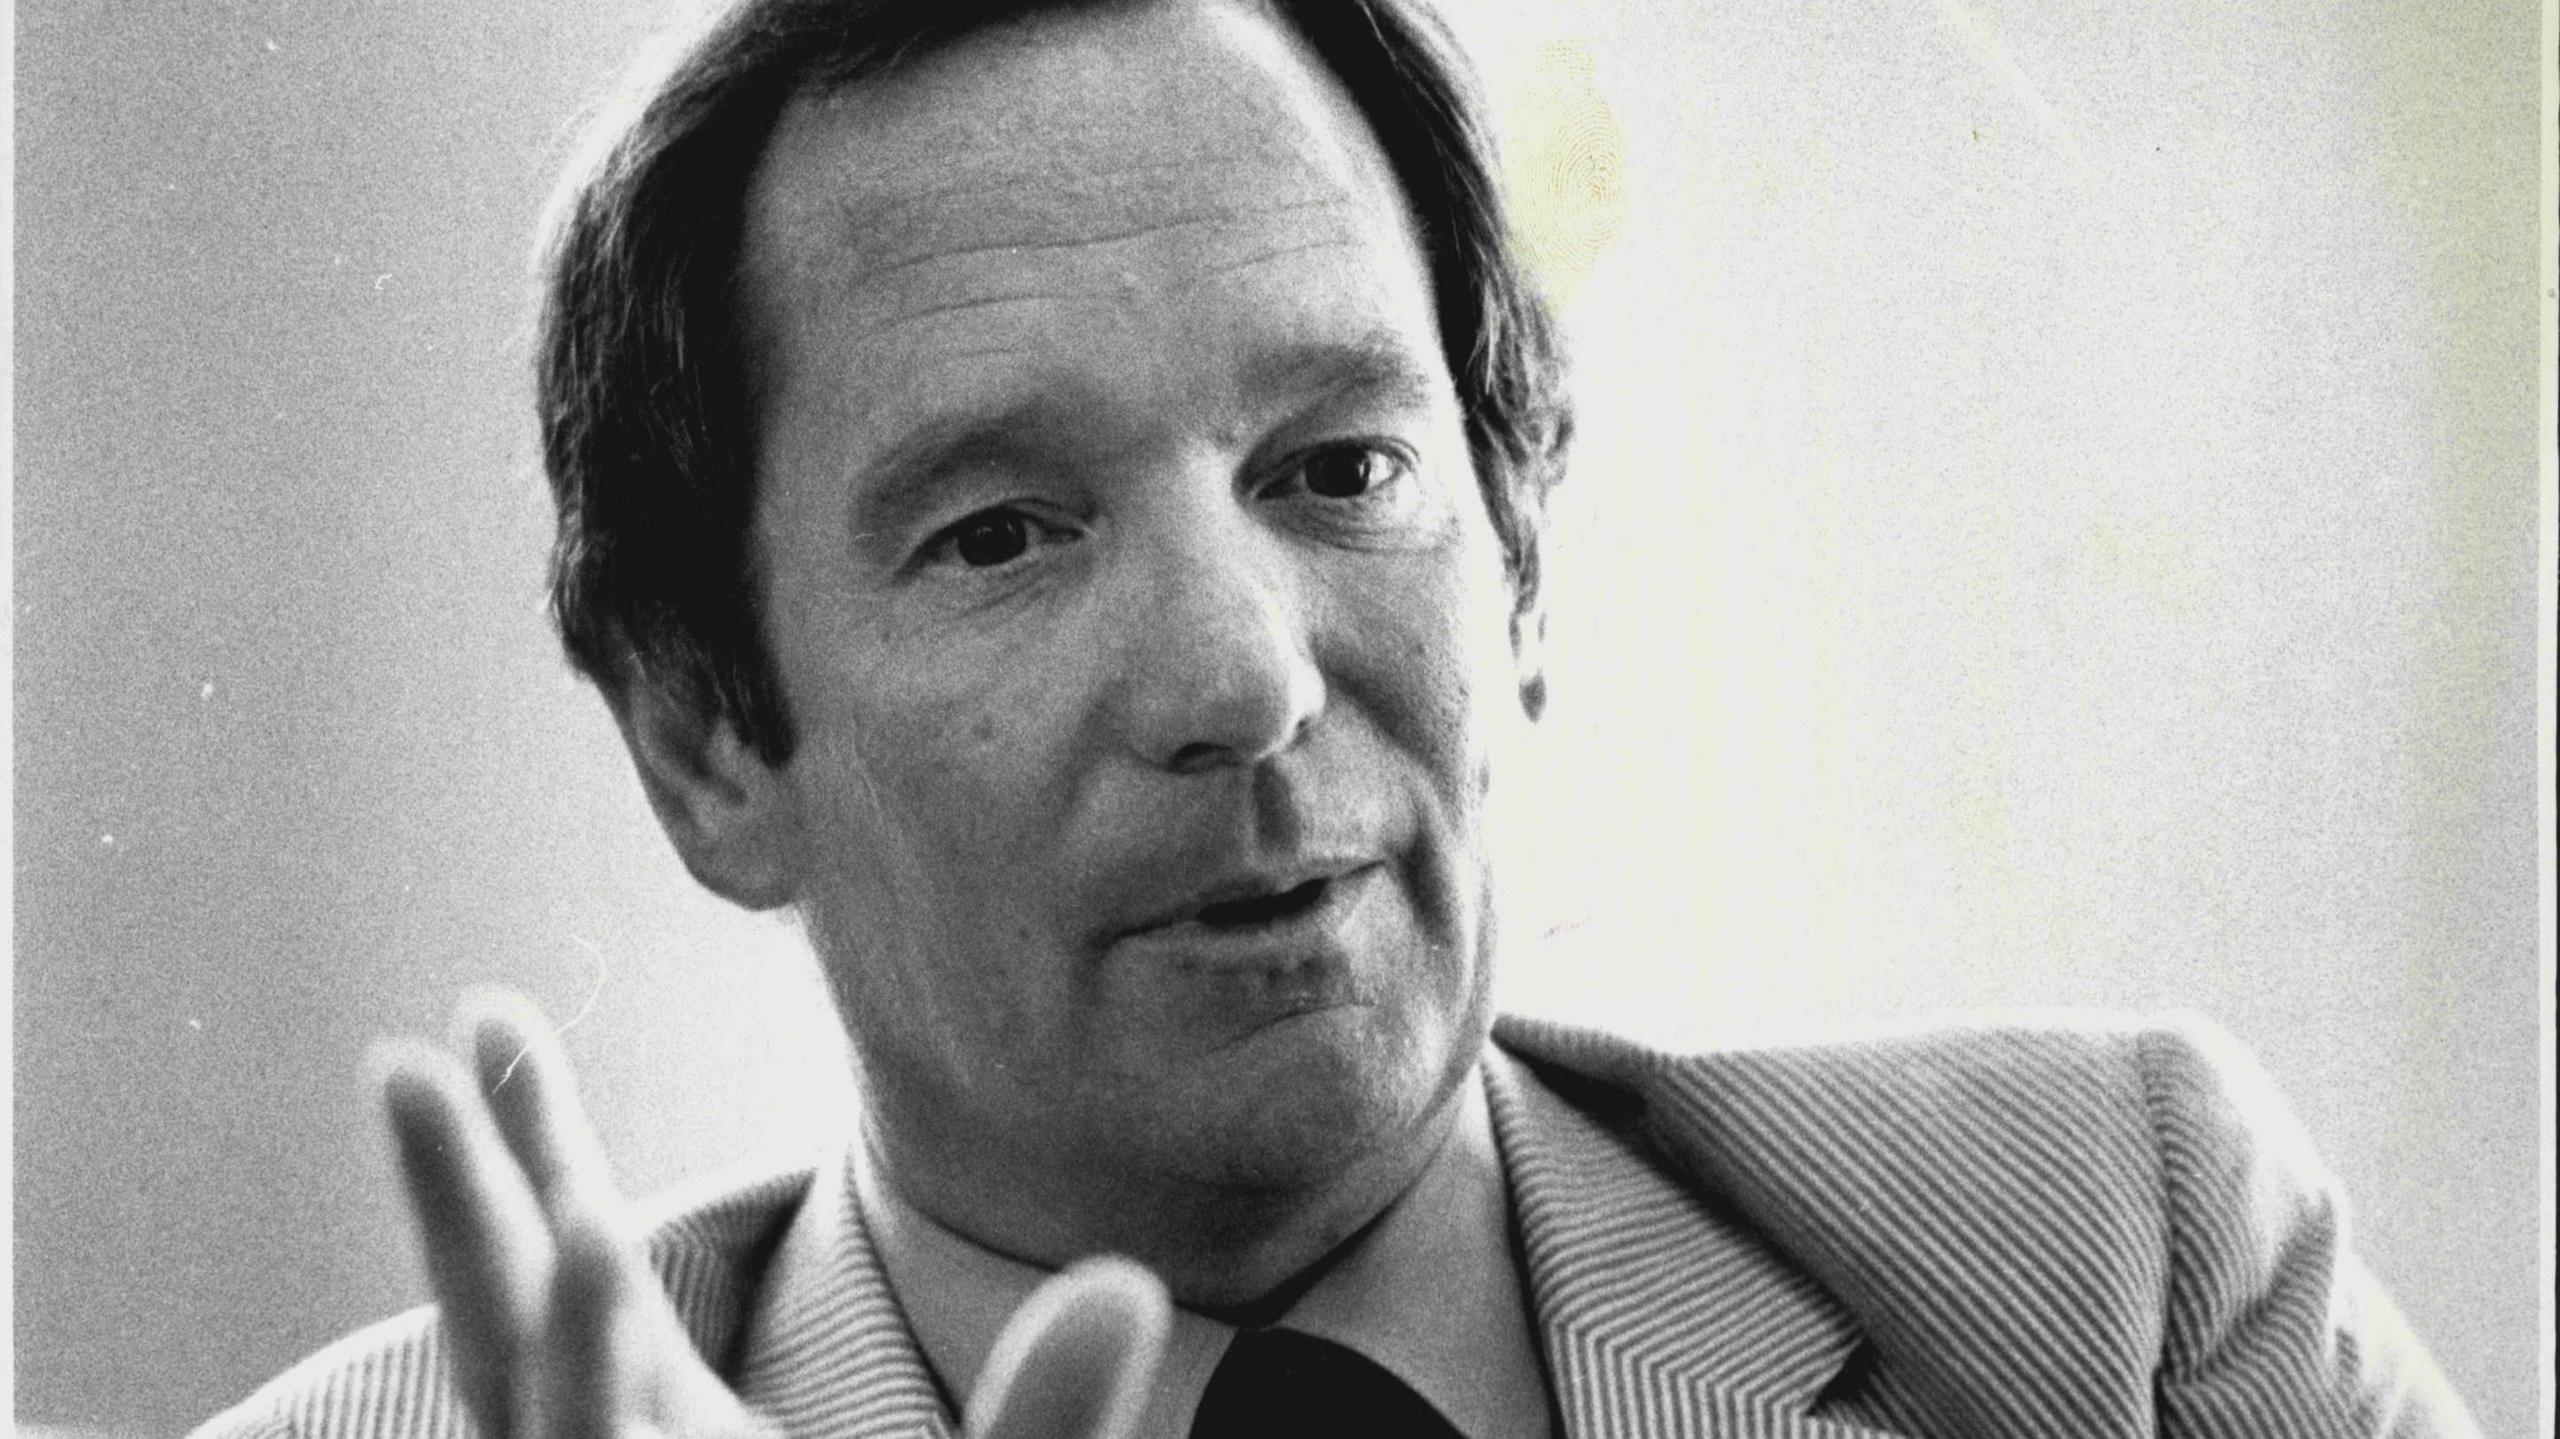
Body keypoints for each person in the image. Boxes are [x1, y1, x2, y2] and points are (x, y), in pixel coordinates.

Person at [197, 0, 2478, 1435]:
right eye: (998, 532)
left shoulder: (2111, 1276)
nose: (1244, 676)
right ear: (707, 740)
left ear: (1518, 575)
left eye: (1338, 472)